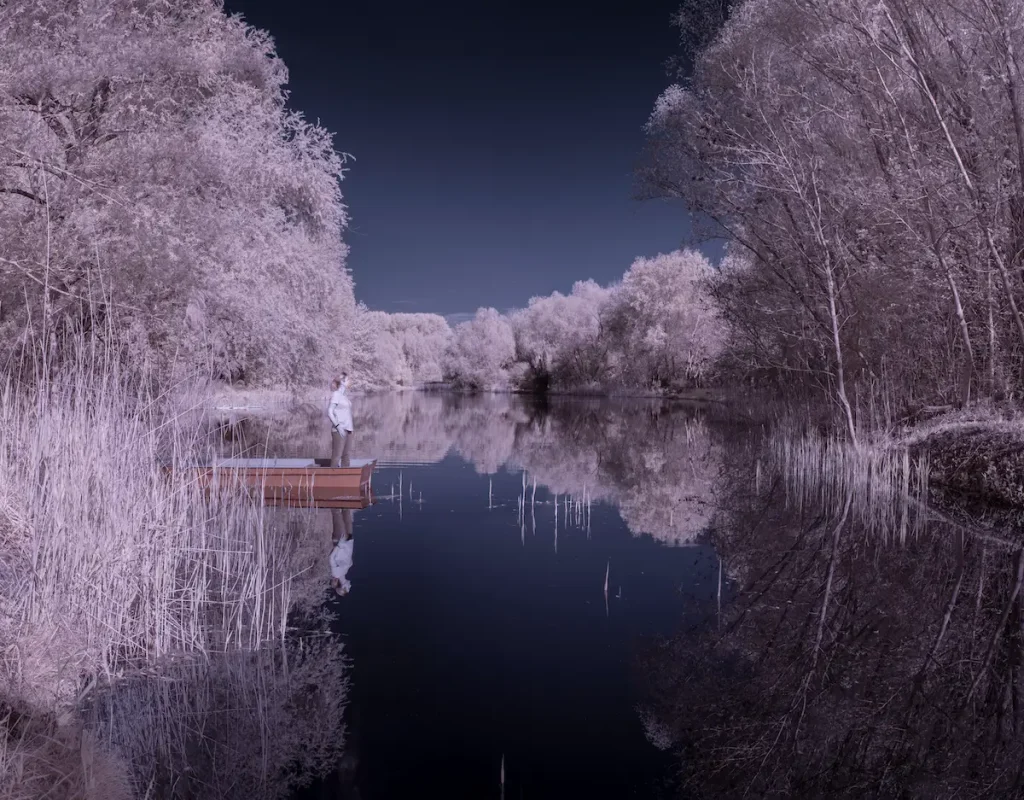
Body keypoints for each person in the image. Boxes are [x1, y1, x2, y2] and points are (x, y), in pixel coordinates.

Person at [328, 372, 353, 468]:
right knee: (337, 455)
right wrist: (338, 427)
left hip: (349, 430)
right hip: (339, 430)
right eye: (348, 380)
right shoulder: (336, 395)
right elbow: (330, 412)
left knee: (346, 456)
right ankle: (332, 479)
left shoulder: (344, 397)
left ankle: (346, 479)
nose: (350, 382)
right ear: (342, 382)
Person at [329, 508, 354, 596]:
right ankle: (346, 498)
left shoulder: (336, 574)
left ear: (343, 587)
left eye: (348, 588)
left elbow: (331, 559)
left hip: (340, 540)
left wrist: (338, 546)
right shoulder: (344, 572)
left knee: (336, 514)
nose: (350, 586)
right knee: (346, 512)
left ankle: (331, 498)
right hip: (348, 541)